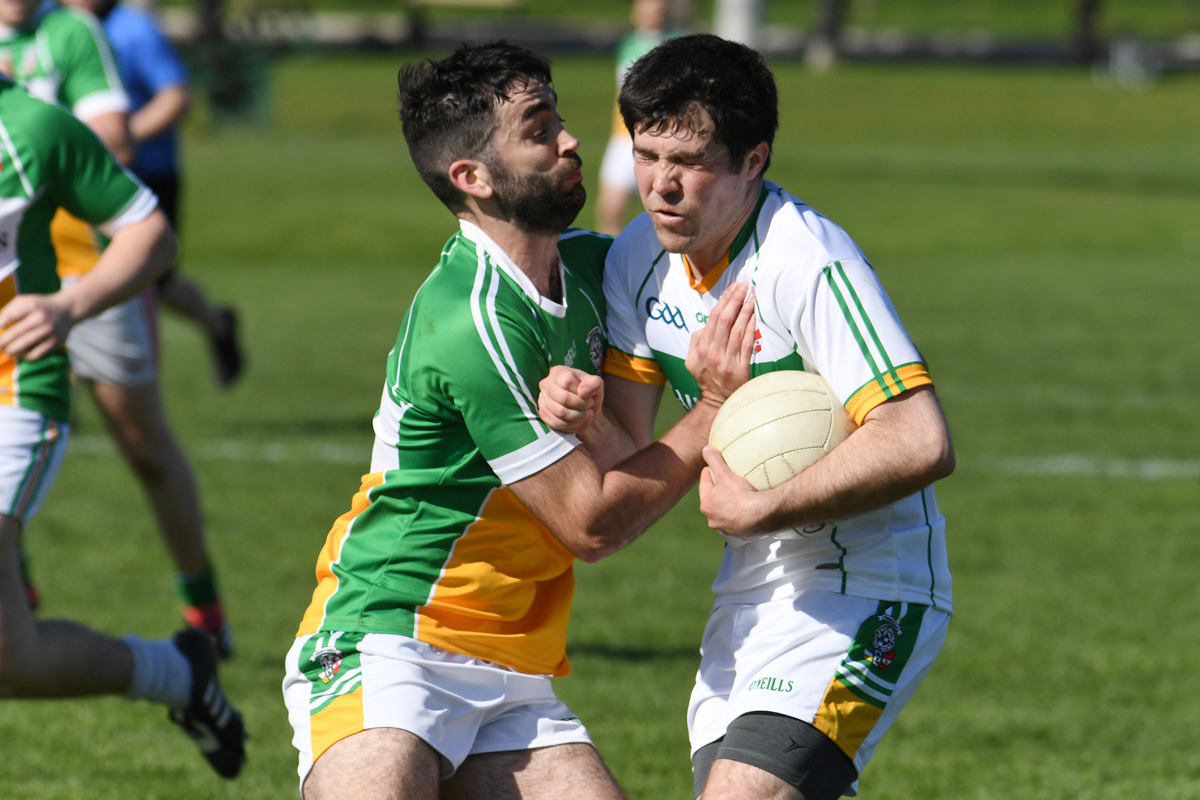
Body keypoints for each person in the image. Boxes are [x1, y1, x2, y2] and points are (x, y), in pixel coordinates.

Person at [282, 41, 757, 800]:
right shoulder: (469, 321)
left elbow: (735, 267)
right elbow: (590, 523)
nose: (572, 140)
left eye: (560, 118)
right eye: (540, 130)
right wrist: (715, 408)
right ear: (471, 178)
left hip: (513, 666)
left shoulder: (604, 269)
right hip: (390, 635)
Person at [537, 34, 956, 800]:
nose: (661, 185)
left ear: (753, 161)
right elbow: (633, 444)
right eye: (646, 153)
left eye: (689, 164)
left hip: (867, 586)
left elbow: (920, 437)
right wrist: (583, 417)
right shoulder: (639, 259)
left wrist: (761, 507)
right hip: (752, 591)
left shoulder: (808, 263)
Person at [0, 75, 246, 778]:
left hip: (13, 386)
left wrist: (70, 305)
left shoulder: (31, 127)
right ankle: (177, 674)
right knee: (11, 664)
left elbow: (152, 235)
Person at [62, 0, 244, 389]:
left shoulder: (134, 29)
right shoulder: (55, 28)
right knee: (69, 271)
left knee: (150, 280)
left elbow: (176, 97)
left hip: (147, 173)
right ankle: (64, 384)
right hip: (79, 179)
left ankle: (216, 325)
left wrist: (121, 137)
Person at [595, 0, 669, 236]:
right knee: (610, 209)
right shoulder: (628, 45)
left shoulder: (675, 45)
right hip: (622, 138)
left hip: (658, 139)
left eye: (657, 6)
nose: (651, 11)